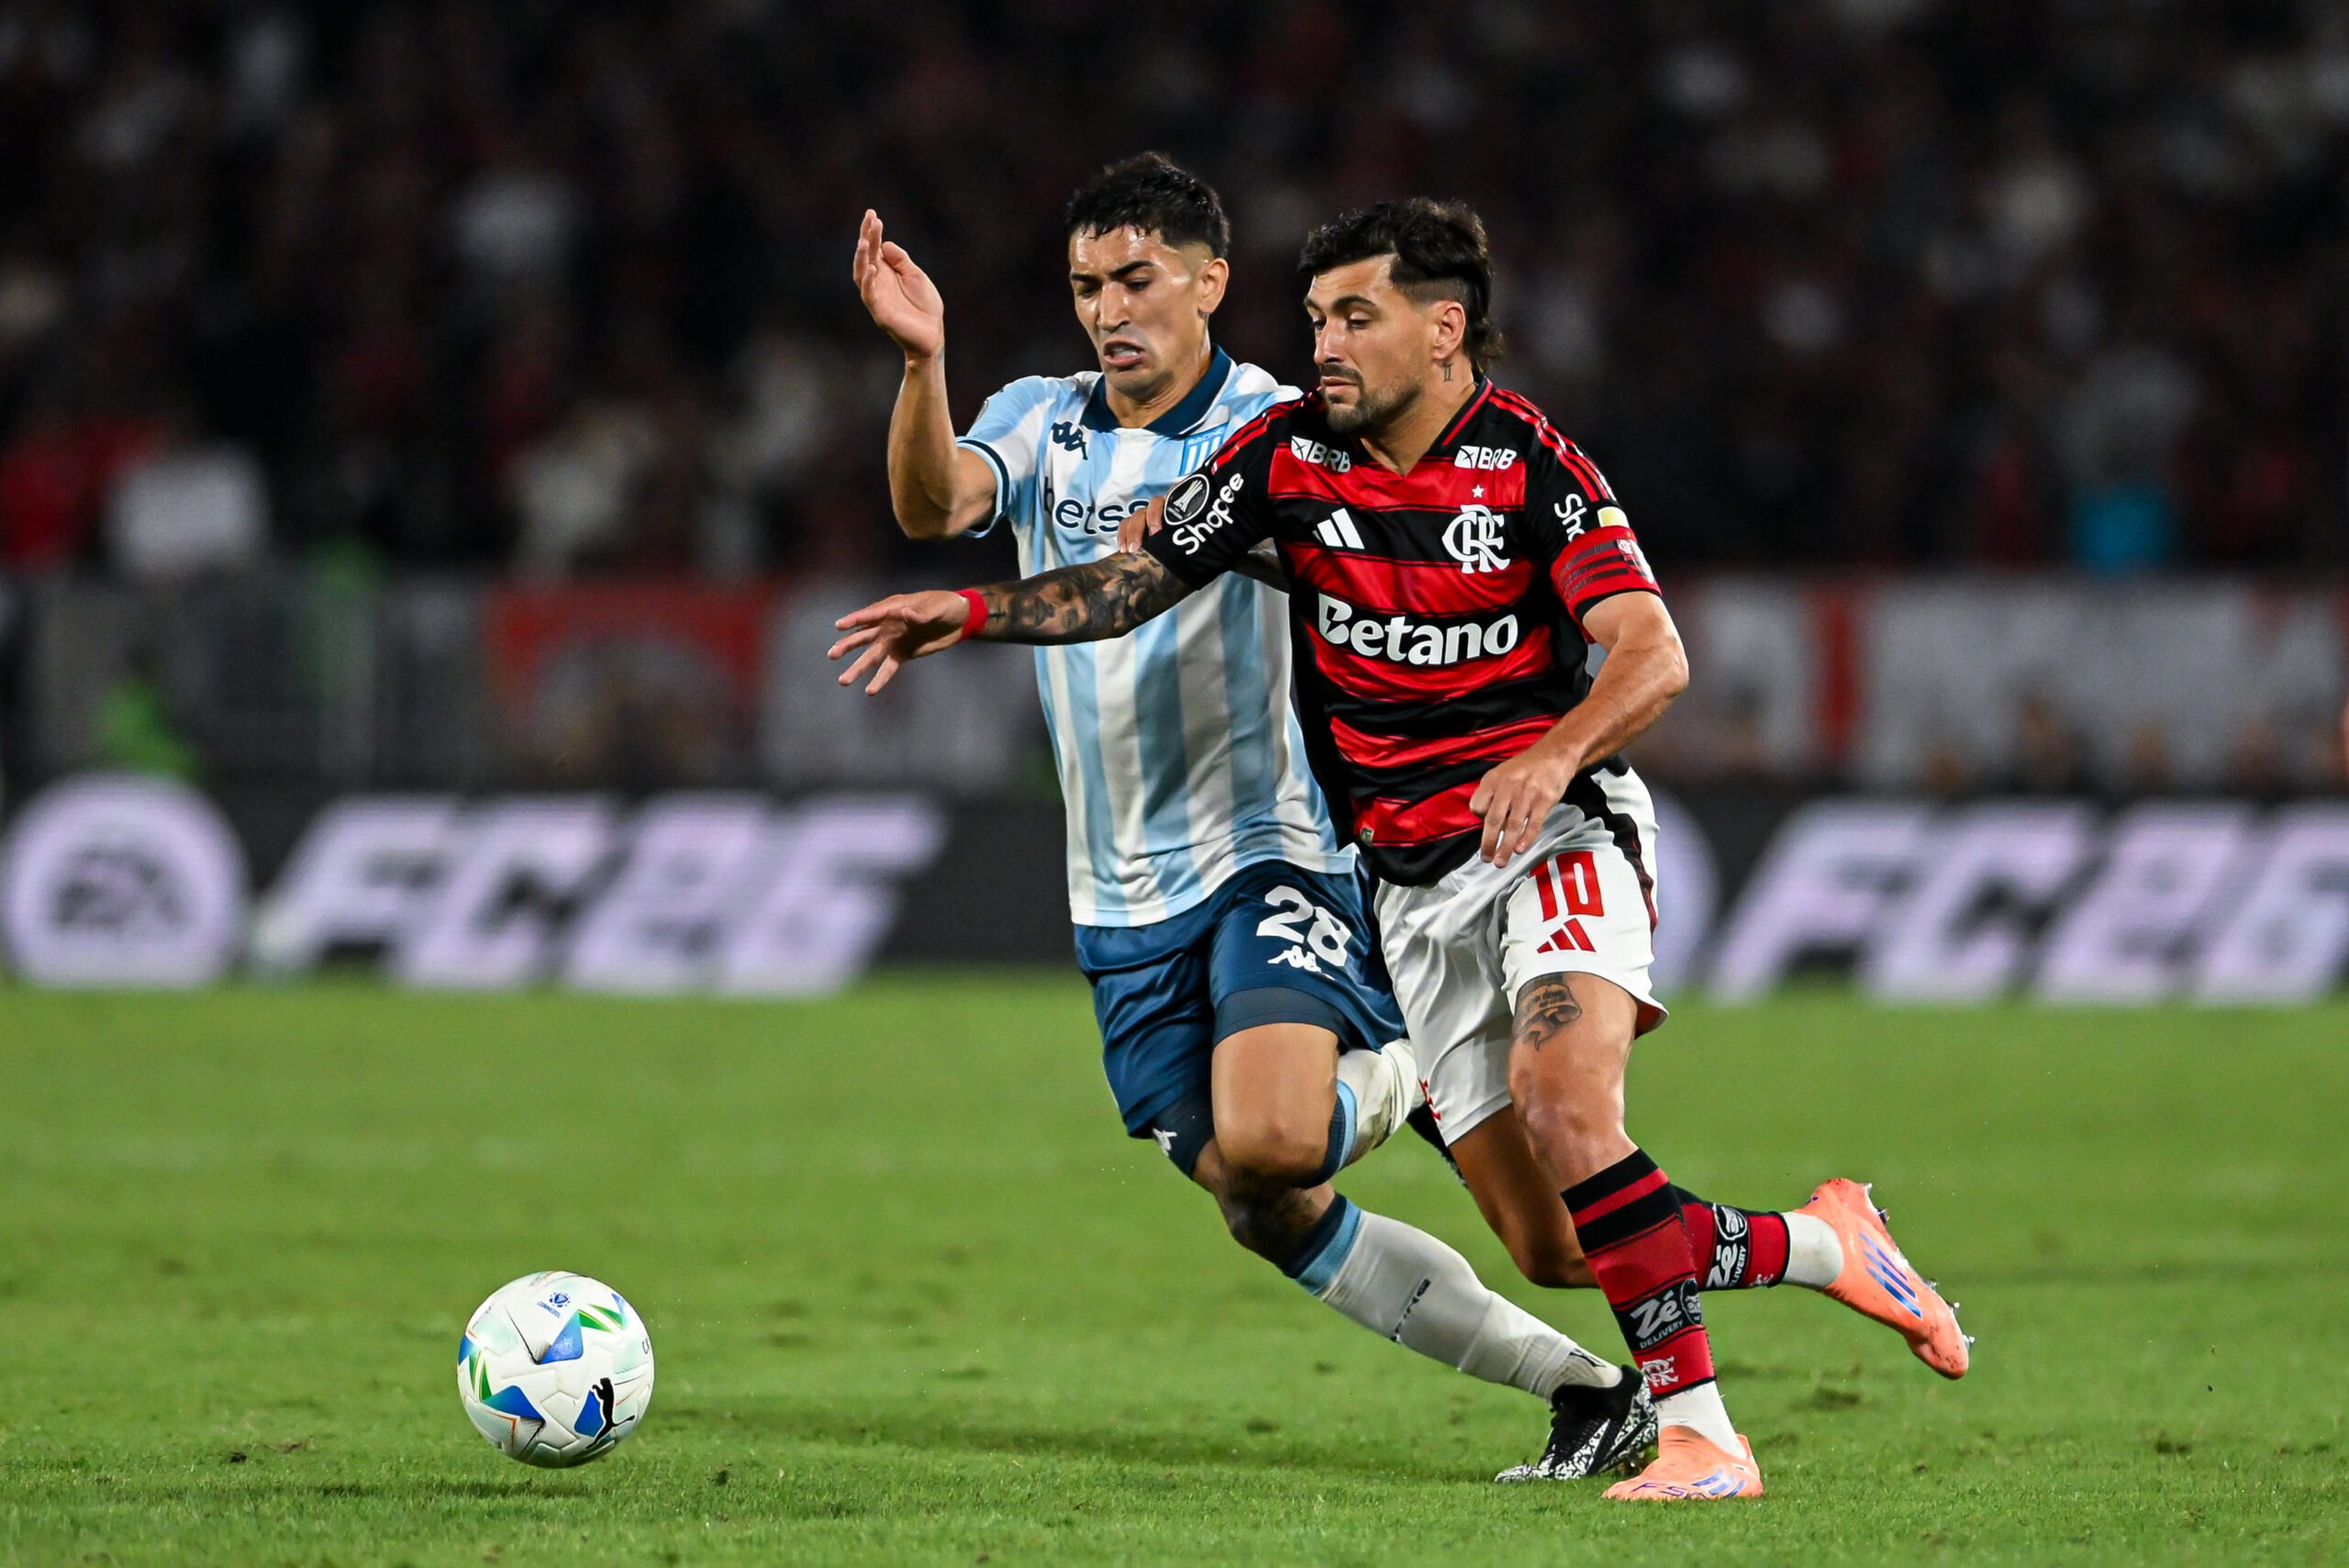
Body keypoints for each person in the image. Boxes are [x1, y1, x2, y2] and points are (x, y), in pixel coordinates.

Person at [833, 196, 1971, 1501]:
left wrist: (1552, 755)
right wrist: (970, 610)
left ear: (1443, 330)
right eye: (1316, 316)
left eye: (1354, 318)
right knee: (1554, 1239)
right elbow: (1131, 584)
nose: (1324, 343)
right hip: (1407, 880)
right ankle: (1828, 1245)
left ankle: (1705, 1434)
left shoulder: (1531, 465)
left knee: (1568, 1106)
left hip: (1550, 833)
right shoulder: (1284, 458)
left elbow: (1653, 652)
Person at [851, 156, 1659, 1479]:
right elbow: (935, 505)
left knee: (1278, 1131)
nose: (1110, 311)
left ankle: (1406, 1054)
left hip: (1270, 850)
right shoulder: (1040, 417)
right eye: (1085, 287)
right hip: (1115, 894)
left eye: (1137, 281)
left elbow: (1407, 538)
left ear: (1211, 280)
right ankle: (1585, 1393)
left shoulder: (1290, 427)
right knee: (1260, 1197)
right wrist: (920, 363)